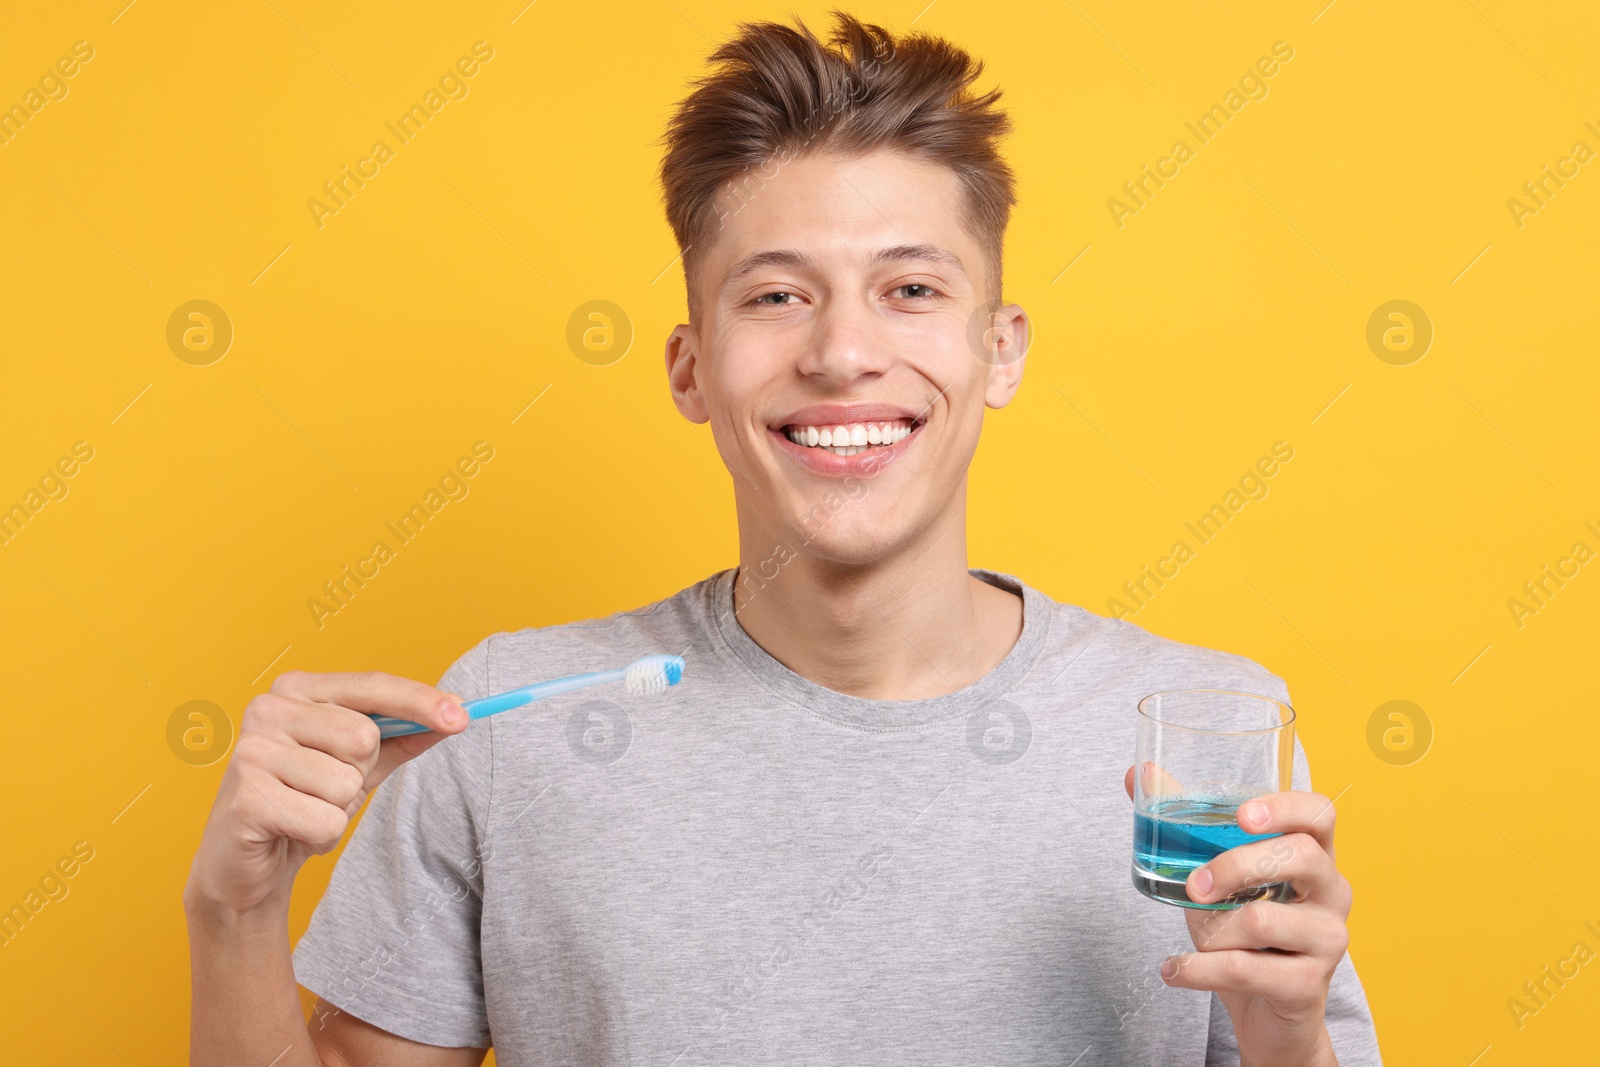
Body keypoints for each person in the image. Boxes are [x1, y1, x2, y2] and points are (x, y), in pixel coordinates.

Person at [183, 10, 1382, 1065]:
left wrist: (1291, 1049)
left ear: (998, 348)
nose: (841, 351)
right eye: (774, 294)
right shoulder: (507, 719)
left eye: (910, 288)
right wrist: (234, 917)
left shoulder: (1203, 726)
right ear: (691, 366)